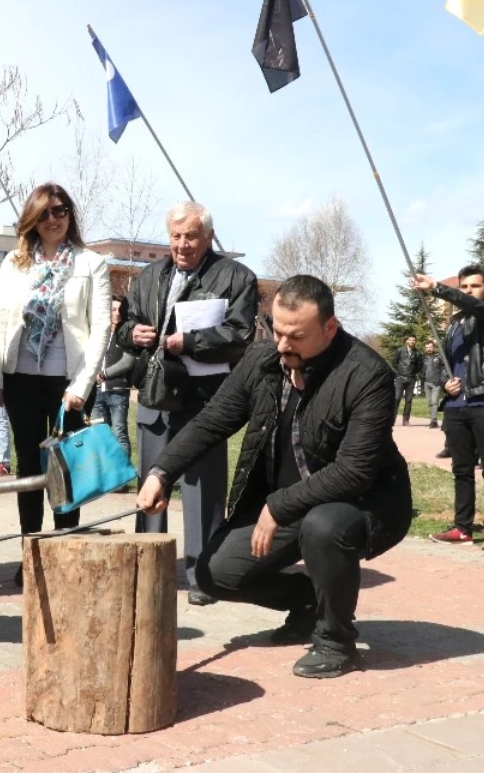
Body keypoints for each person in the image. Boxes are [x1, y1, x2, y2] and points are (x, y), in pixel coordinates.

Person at [137, 275, 411, 678]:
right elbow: (213, 421)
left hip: (366, 502)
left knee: (324, 525)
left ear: (330, 328)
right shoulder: (263, 360)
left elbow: (355, 471)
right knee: (215, 574)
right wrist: (162, 472)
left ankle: (336, 641)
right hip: (288, 505)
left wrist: (278, 506)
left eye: (296, 336)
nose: (282, 346)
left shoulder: (367, 374)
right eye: (276, 330)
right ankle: (306, 602)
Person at [117, 201, 257, 605]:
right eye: (175, 236)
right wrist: (133, 334)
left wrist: (191, 342)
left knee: (203, 491)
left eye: (191, 236)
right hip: (156, 396)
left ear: (209, 236)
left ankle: (204, 577)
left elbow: (240, 334)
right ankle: (149, 569)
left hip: (205, 401)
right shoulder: (147, 276)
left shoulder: (235, 277)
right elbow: (124, 324)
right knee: (151, 485)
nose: (182, 244)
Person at [0, 183, 112, 585]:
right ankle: (32, 554)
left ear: (70, 215)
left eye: (60, 210)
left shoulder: (91, 263)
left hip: (68, 382)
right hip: (21, 375)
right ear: (32, 219)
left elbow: (100, 329)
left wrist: (81, 383)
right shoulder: (14, 262)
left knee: (66, 467)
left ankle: (64, 549)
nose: (53, 219)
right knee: (28, 466)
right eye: (44, 212)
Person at [417, 266, 484, 551]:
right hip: (457, 407)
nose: (469, 291)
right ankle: (463, 528)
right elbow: (448, 361)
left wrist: (437, 288)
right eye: (465, 287)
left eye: (474, 286)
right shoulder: (455, 324)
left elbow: (476, 307)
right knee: (461, 470)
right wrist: (446, 383)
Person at [93, 296, 135, 472]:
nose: (117, 313)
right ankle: (106, 476)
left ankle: (122, 476)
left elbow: (128, 361)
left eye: (120, 310)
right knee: (100, 436)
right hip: (96, 393)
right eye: (113, 309)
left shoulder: (126, 334)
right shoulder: (99, 333)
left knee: (119, 434)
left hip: (117, 391)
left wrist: (105, 374)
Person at [392, 336, 422, 427]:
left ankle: (406, 420)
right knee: (397, 398)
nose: (412, 341)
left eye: (414, 340)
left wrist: (412, 372)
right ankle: (392, 419)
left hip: (411, 379)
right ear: (406, 341)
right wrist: (400, 371)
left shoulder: (418, 353)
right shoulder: (400, 350)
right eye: (410, 340)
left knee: (408, 400)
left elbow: (419, 366)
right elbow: (394, 362)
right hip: (400, 378)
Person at [422, 339, 446, 430]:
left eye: (430, 347)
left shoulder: (439, 356)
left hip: (436, 383)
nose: (428, 349)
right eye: (427, 347)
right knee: (429, 403)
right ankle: (433, 420)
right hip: (426, 382)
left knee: (434, 402)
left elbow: (444, 367)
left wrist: (441, 379)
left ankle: (434, 421)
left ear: (434, 347)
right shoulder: (423, 357)